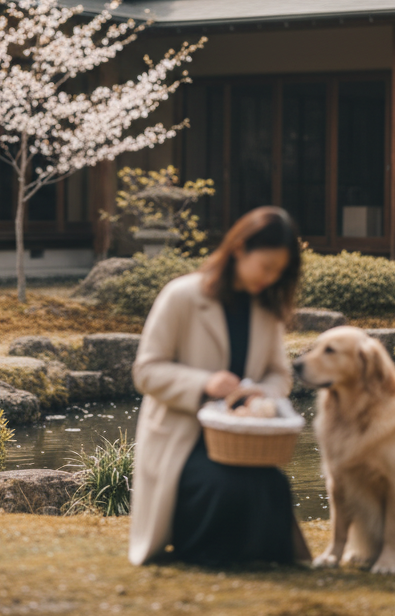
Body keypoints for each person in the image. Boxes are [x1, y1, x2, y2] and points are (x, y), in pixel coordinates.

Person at [126, 206, 309, 567]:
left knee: (272, 484)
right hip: (182, 436)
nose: (271, 279)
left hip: (242, 437)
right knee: (223, 484)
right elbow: (145, 371)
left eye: (279, 273)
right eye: (267, 267)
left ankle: (255, 559)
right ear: (240, 248)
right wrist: (204, 383)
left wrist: (261, 392)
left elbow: (279, 374)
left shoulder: (265, 308)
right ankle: (208, 555)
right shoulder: (181, 296)